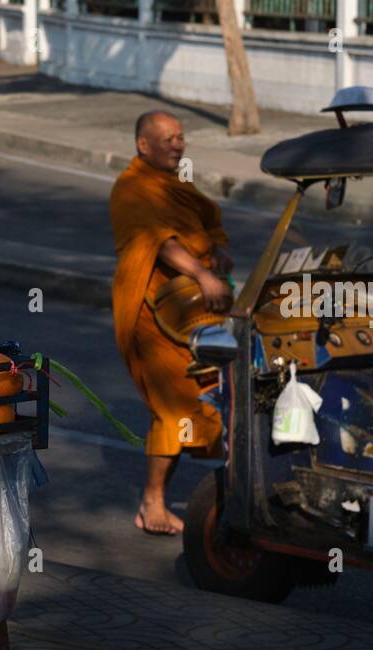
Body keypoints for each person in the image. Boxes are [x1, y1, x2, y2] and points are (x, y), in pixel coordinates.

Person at [110, 110, 233, 535]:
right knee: (173, 406)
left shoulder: (176, 183)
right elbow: (158, 242)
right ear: (144, 144)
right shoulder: (130, 188)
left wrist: (215, 249)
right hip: (149, 308)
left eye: (181, 137)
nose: (178, 145)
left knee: (207, 394)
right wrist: (201, 273)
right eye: (169, 139)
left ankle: (178, 496)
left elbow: (207, 219)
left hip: (191, 310)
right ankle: (153, 503)